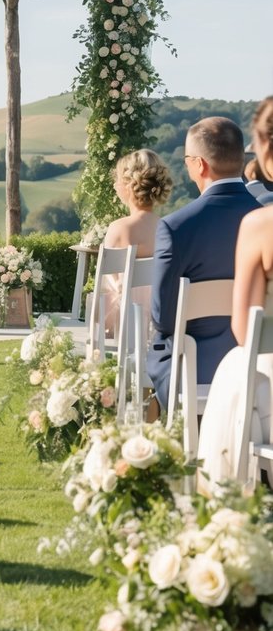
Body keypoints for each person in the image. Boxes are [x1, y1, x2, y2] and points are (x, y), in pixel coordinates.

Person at [148, 116, 260, 412]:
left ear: (199, 164)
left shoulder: (175, 227)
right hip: (257, 372)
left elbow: (163, 318)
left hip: (194, 370)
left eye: (186, 159)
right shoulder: (266, 221)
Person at [198, 98, 273, 486]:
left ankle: (234, 515)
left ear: (262, 147)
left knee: (237, 369)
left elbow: (246, 330)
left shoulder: (261, 225)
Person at [100, 149, 173, 336]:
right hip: (161, 322)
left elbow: (107, 290)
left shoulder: (119, 229)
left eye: (117, 178)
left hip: (122, 325)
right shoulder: (168, 228)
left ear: (128, 185)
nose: (115, 183)